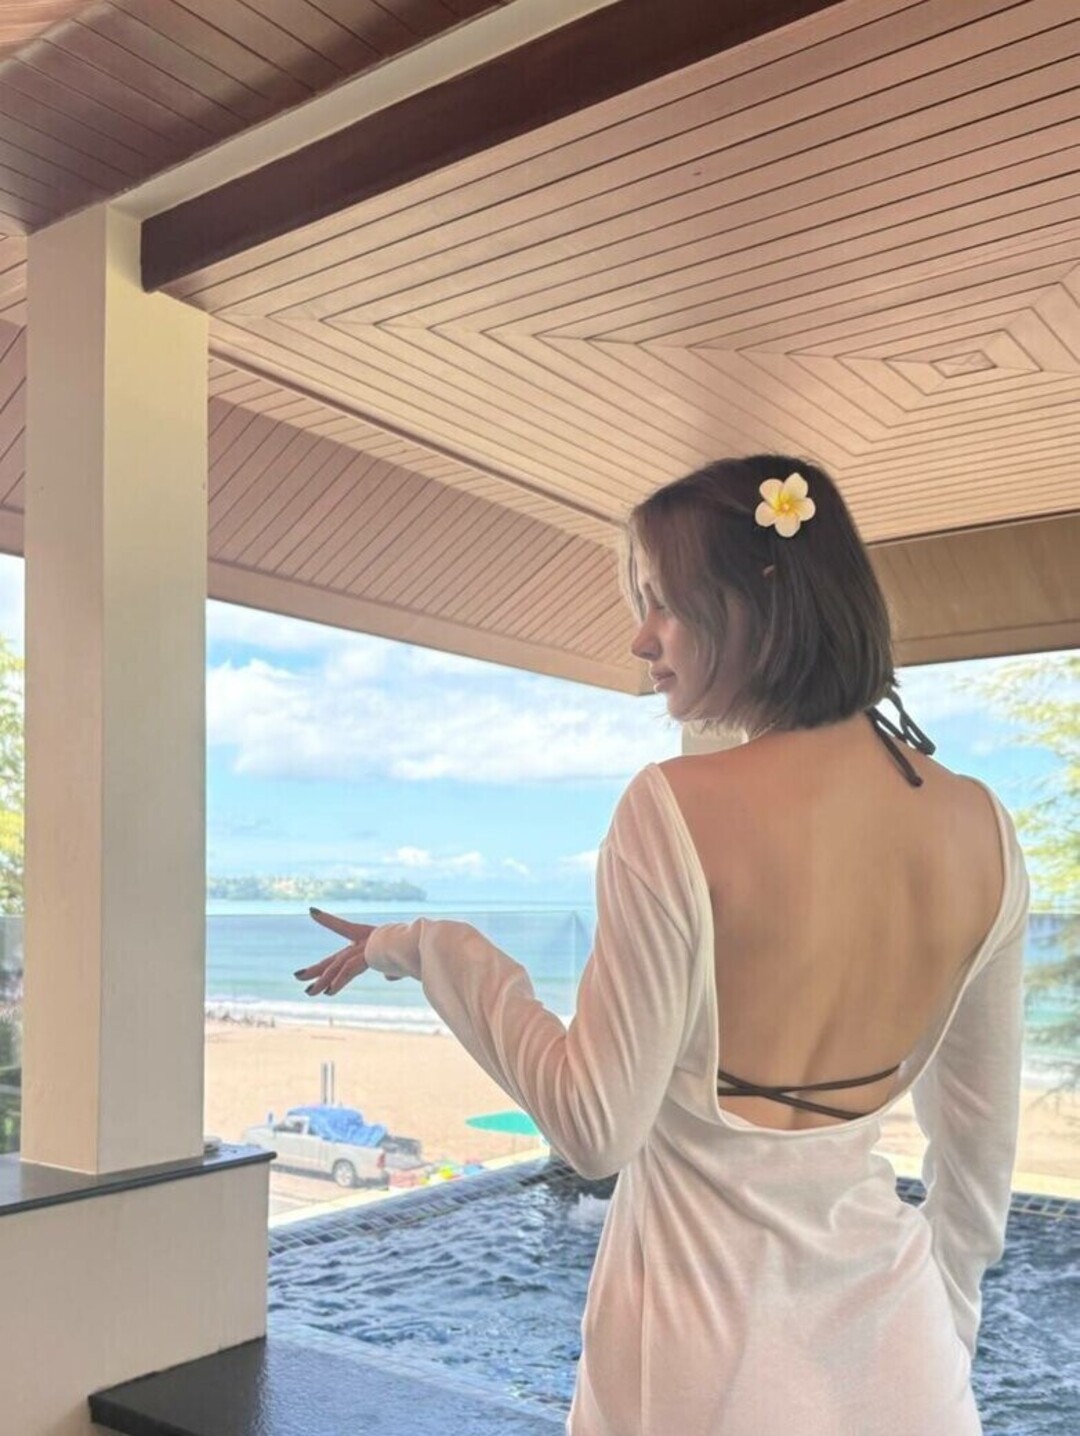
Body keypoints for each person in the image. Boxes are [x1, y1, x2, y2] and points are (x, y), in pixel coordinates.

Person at [294, 455, 1029, 1436]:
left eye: (663, 604)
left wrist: (434, 946)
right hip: (904, 1362)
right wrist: (942, 1336)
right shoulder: (982, 826)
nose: (641, 638)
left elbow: (594, 1125)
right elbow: (978, 1155)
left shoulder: (673, 808)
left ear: (757, 599)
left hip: (701, 1363)